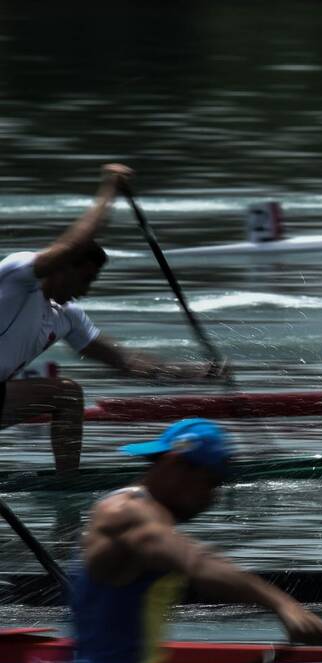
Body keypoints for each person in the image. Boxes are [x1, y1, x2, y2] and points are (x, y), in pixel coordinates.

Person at [70, 418, 322, 663]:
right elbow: (197, 563)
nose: (213, 498)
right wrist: (282, 604)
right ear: (177, 463)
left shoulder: (142, 513)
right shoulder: (126, 514)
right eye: (211, 482)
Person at [0, 164, 228, 474]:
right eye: (86, 279)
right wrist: (109, 188)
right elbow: (73, 244)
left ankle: (66, 486)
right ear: (64, 267)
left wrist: (200, 373)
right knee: (66, 392)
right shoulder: (17, 275)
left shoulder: (67, 317)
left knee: (66, 395)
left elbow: (128, 363)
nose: (86, 291)